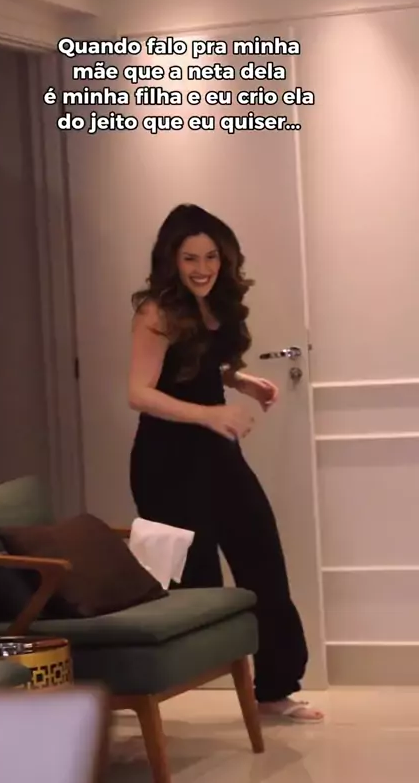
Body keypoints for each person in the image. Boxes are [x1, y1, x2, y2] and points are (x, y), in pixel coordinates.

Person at [128, 203, 323, 723]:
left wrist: (240, 381)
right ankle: (144, 690)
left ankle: (274, 689)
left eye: (211, 256)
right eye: (190, 258)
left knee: (263, 561)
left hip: (216, 454)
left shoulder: (216, 305)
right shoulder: (156, 312)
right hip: (166, 460)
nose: (202, 268)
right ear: (172, 260)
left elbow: (196, 367)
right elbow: (139, 393)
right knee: (192, 583)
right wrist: (210, 413)